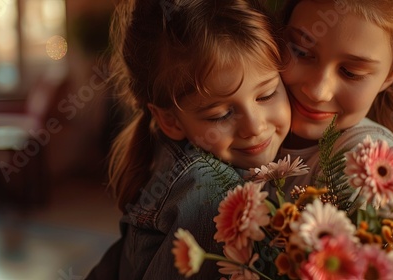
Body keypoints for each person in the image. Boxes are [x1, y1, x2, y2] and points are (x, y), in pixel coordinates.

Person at [87, 0, 291, 279]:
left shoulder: (178, 160)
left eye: (266, 94)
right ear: (170, 120)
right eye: (221, 115)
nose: (254, 126)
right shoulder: (210, 193)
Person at [274, 0, 393, 203]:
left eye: (350, 73)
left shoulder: (368, 162)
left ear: (390, 76)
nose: (318, 92)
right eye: (301, 53)